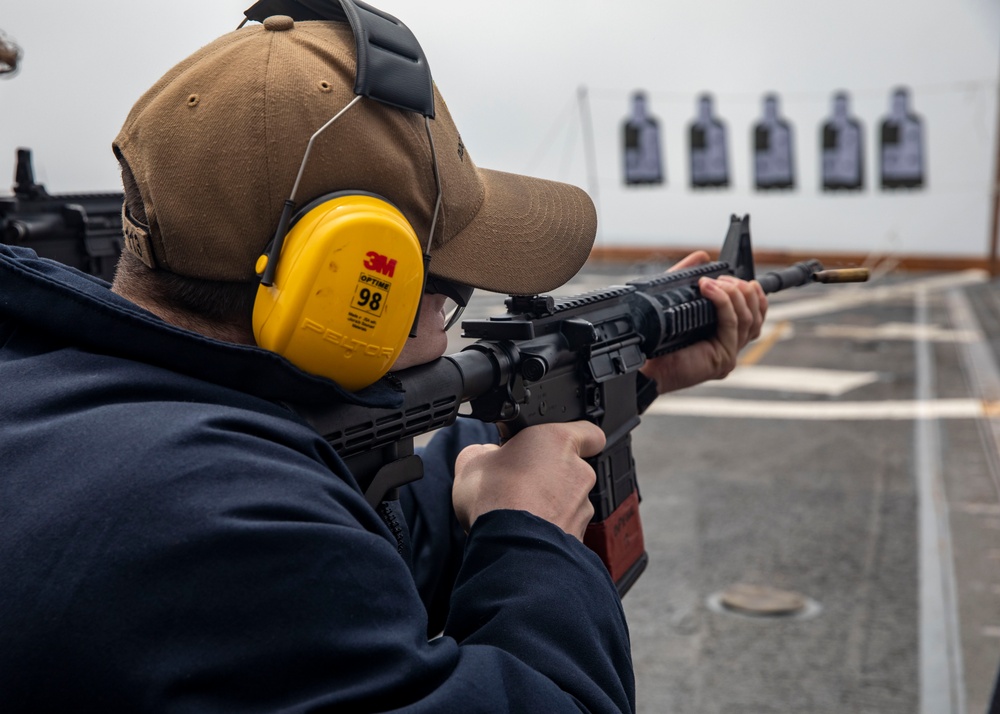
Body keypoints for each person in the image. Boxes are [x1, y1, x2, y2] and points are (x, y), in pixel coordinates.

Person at [0, 10, 766, 714]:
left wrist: (602, 389)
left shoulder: (75, 396)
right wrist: (533, 536)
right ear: (346, 294)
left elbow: (350, 548)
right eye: (451, 296)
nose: (451, 324)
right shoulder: (226, 526)